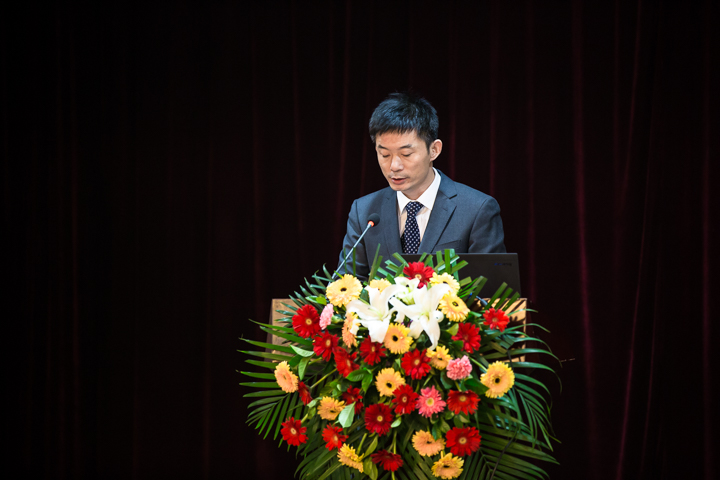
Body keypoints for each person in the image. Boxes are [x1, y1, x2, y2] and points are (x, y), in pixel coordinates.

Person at [338, 92, 506, 279]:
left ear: (434, 150)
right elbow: (346, 285)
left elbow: (491, 289)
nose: (394, 166)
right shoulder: (364, 211)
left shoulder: (476, 210)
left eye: (406, 154)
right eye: (384, 155)